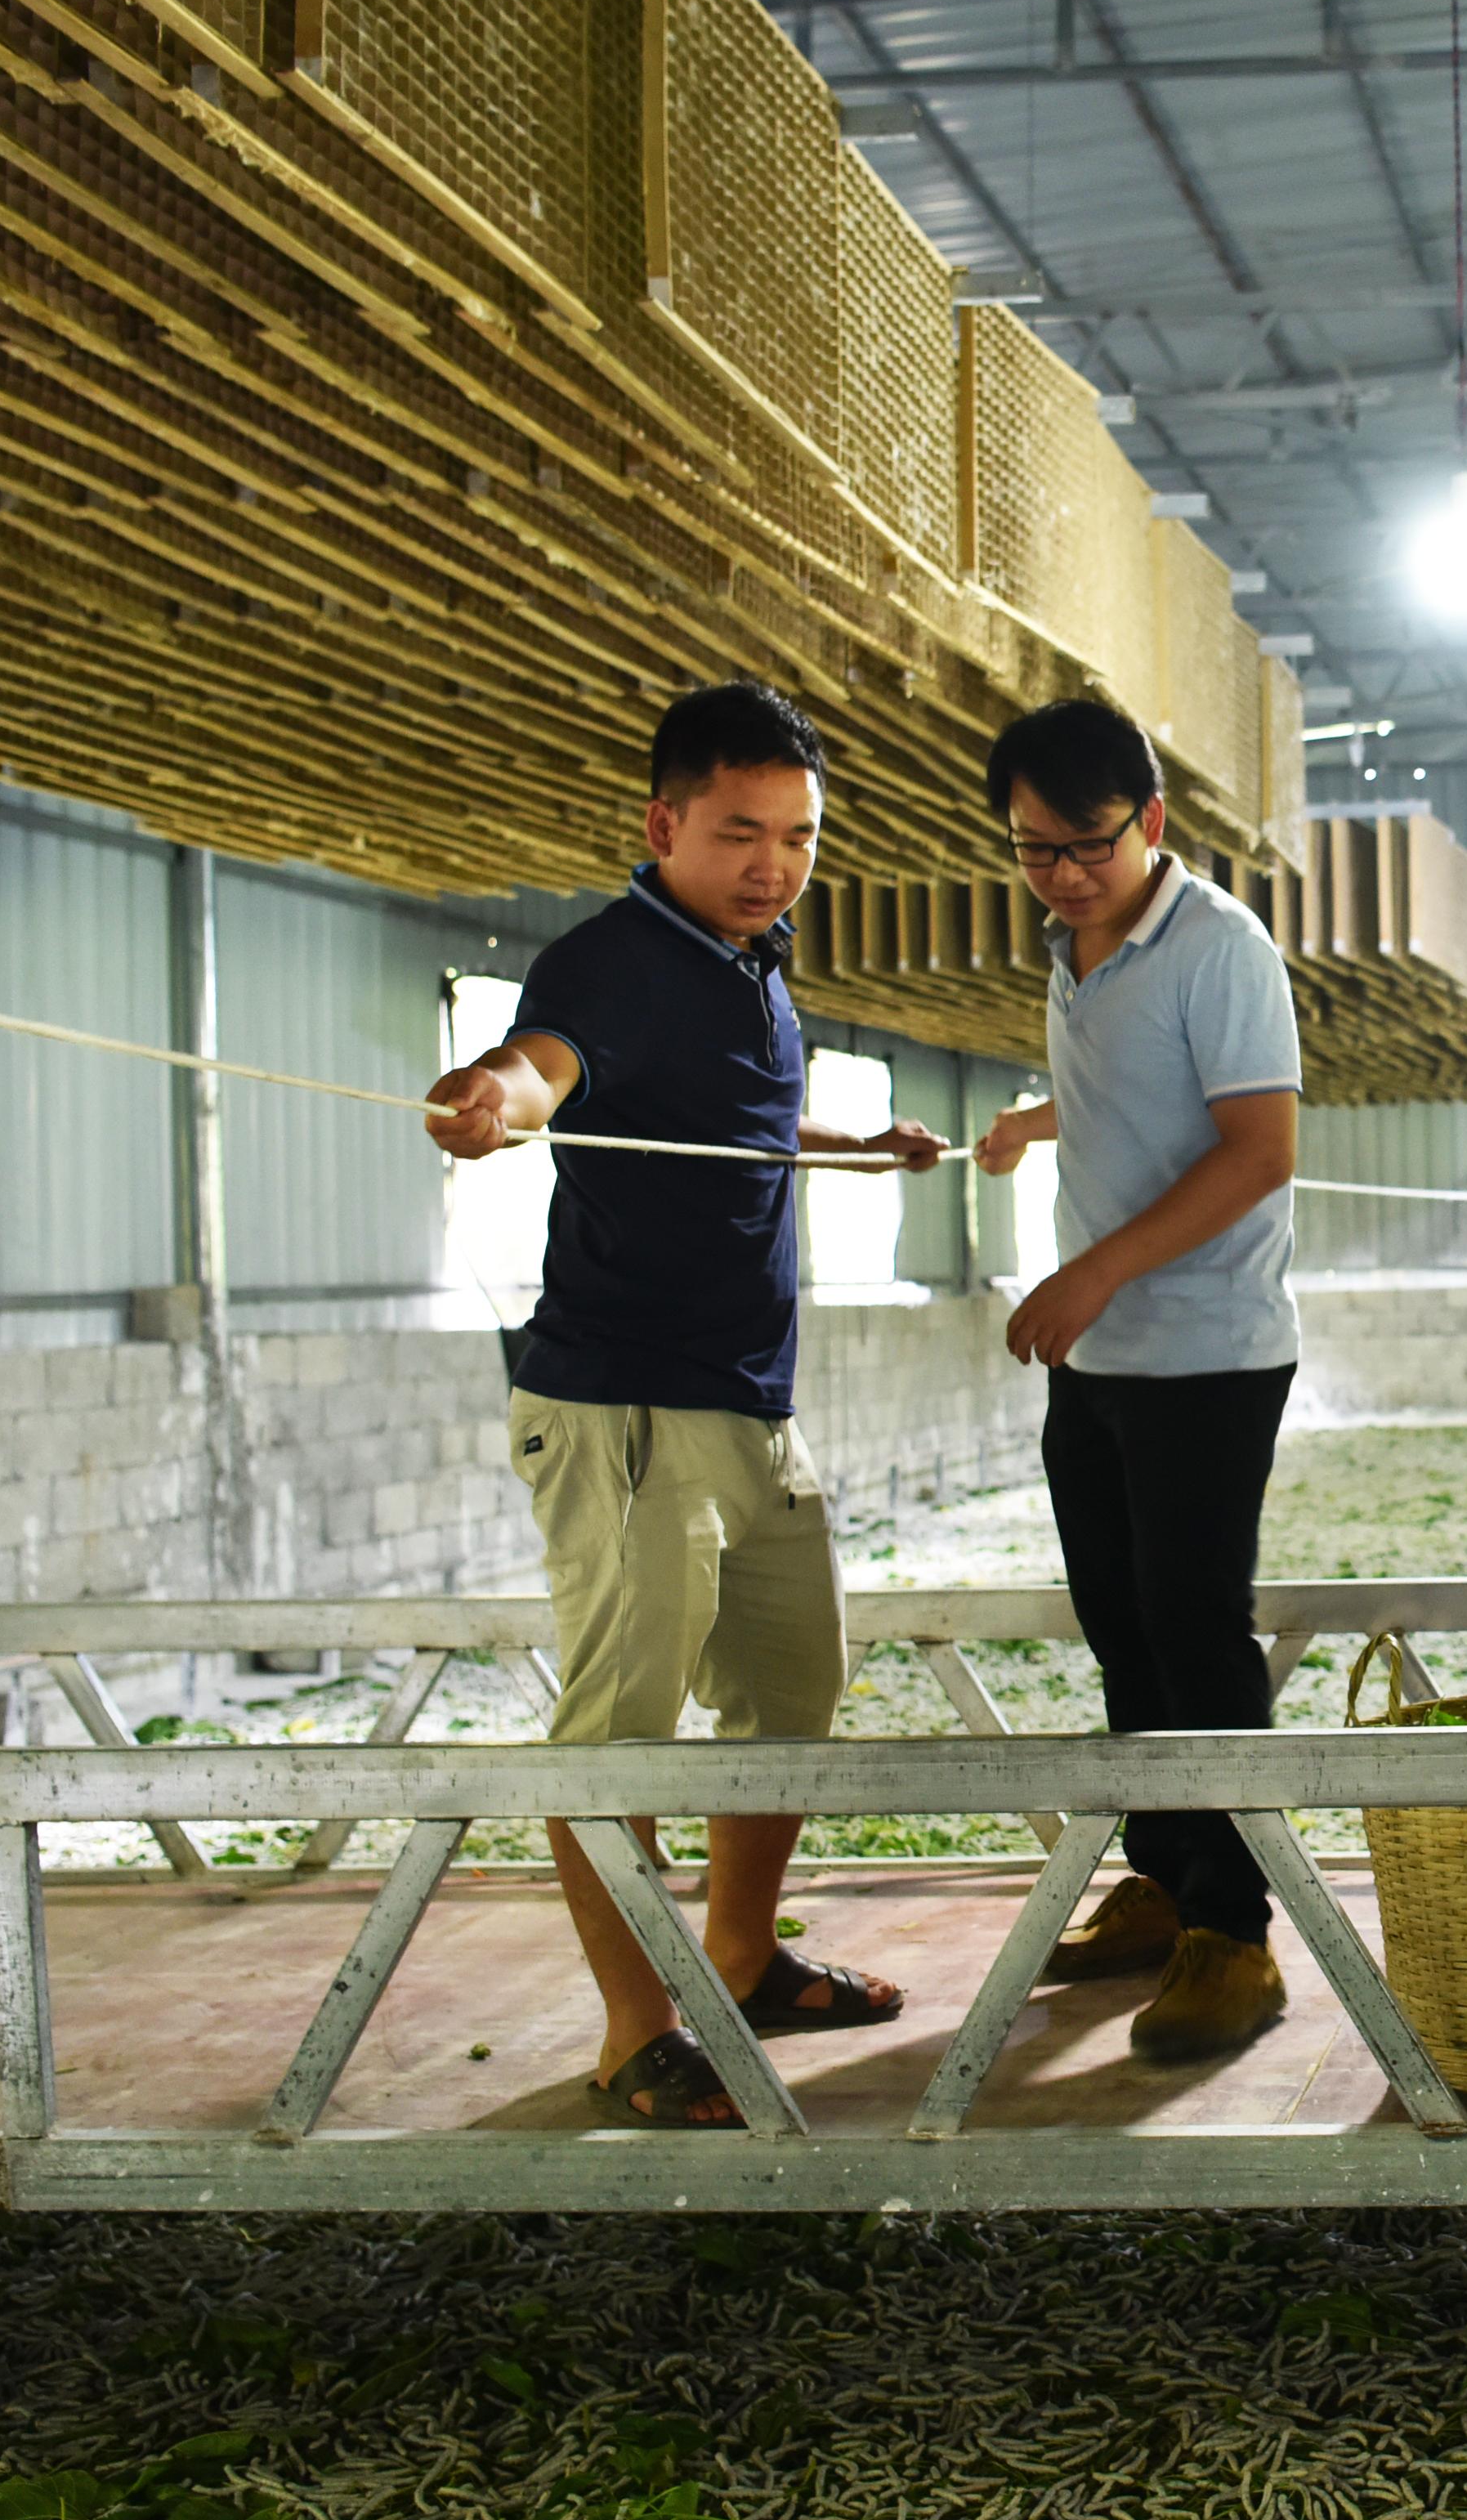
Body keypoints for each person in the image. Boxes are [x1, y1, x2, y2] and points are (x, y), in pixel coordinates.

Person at [423, 679, 945, 2129]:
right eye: (738, 833)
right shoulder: (605, 961)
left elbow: (736, 1122)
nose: (772, 863)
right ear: (663, 825)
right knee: (622, 1729)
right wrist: (494, 1096)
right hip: (624, 1409)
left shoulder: (753, 966)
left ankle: (740, 1953)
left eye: (798, 835)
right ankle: (635, 2028)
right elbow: (549, 1071)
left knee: (793, 1690)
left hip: (749, 1407)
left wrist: (855, 1148)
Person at [968, 699, 1309, 2063]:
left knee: (1195, 1627)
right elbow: (1136, 1088)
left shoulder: (1221, 950)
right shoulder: (1078, 944)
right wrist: (1033, 1119)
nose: (1059, 874)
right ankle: (1167, 1881)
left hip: (1206, 1357)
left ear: (1152, 824)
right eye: (1032, 849)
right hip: (1101, 1363)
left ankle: (1239, 1932)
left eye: (1084, 847)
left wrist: (1096, 1270)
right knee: (1120, 1624)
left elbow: (1255, 1148)